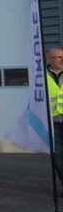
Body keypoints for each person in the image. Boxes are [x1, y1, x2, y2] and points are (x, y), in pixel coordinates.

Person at [47, 48, 63, 189]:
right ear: (49, 59)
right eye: (57, 57)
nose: (61, 60)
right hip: (53, 122)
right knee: (58, 157)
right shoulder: (42, 76)